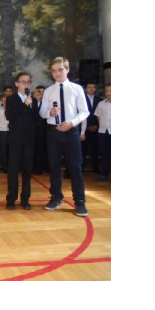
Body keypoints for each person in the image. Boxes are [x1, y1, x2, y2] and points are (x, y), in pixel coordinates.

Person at [40, 57, 90, 217]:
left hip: (71, 132)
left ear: (67, 70)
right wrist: (49, 112)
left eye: (60, 69)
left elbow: (85, 111)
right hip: (53, 132)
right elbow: (42, 113)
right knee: (54, 167)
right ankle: (56, 197)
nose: (57, 73)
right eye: (54, 71)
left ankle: (80, 202)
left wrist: (72, 123)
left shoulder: (77, 89)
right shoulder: (48, 91)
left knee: (75, 168)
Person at [5, 72, 39, 210]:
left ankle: (25, 199)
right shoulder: (11, 99)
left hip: (29, 140)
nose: (26, 84)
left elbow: (36, 119)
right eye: (23, 82)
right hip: (15, 139)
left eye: (28, 82)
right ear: (16, 83)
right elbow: (9, 116)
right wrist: (24, 105)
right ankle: (11, 199)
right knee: (13, 169)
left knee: (27, 170)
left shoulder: (33, 100)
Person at [81, 82, 102, 173]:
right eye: (89, 87)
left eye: (93, 87)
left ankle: (96, 168)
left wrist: (96, 126)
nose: (91, 89)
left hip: (97, 129)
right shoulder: (81, 99)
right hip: (85, 129)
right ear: (85, 89)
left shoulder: (100, 100)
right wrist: (88, 126)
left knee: (95, 149)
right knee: (83, 150)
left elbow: (101, 115)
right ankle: (81, 168)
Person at [94, 83, 111, 182]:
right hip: (103, 131)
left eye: (110, 91)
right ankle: (104, 174)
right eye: (107, 91)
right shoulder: (101, 103)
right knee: (104, 153)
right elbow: (98, 116)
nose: (108, 93)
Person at [32, 87, 48, 175]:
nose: (37, 97)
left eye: (38, 95)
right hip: (33, 130)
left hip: (42, 130)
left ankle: (40, 168)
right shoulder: (31, 105)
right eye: (35, 96)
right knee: (33, 149)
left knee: (41, 149)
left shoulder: (44, 104)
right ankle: (33, 167)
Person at [0, 96, 9, 173]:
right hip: (1, 131)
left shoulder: (12, 109)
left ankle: (10, 166)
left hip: (10, 131)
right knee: (3, 149)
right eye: (4, 100)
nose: (5, 102)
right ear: (1, 101)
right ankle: (4, 166)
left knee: (9, 149)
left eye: (6, 100)